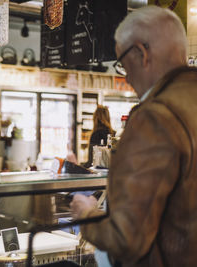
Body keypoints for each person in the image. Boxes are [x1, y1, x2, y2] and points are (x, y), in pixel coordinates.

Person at [70, 6, 197, 266]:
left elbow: (127, 237)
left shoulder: (154, 118)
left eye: (123, 64)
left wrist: (87, 216)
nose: (126, 77)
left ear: (141, 53)